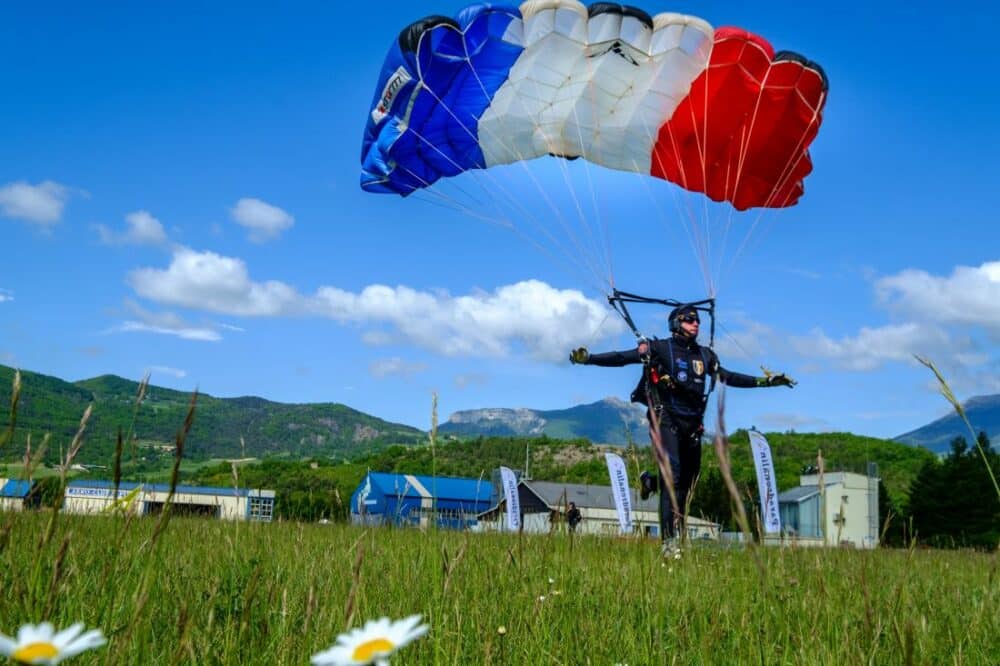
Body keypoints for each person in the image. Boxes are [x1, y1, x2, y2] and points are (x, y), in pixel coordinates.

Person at [569, 304, 794, 544]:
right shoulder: (660, 348)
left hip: (693, 427)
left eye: (697, 320)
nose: (695, 323)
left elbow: (727, 377)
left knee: (687, 482)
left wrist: (766, 382)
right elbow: (623, 358)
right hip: (666, 420)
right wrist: (589, 359)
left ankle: (650, 482)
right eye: (689, 319)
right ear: (676, 323)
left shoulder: (706, 355)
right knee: (672, 478)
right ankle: (669, 541)